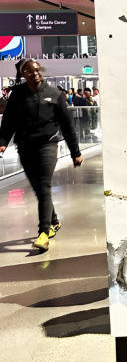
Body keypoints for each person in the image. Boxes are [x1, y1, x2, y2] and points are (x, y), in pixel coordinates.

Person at [0, 58, 83, 251]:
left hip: (48, 145)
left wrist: (75, 153)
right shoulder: (17, 95)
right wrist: (2, 142)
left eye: (37, 70)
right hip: (25, 147)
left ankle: (43, 233)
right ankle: (54, 221)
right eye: (30, 71)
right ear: (23, 74)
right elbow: (9, 121)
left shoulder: (55, 94)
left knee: (44, 186)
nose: (35, 73)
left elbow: (67, 126)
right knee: (39, 189)